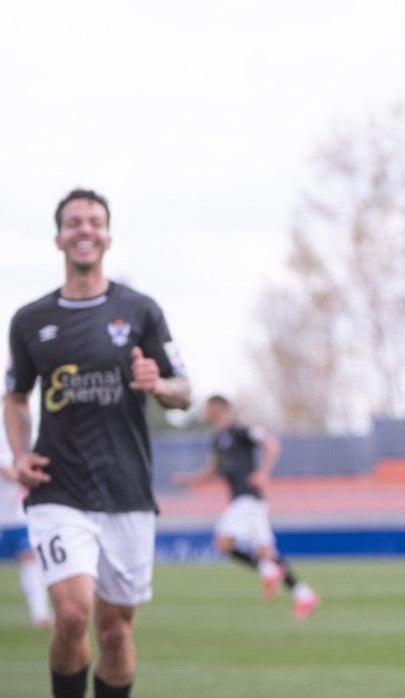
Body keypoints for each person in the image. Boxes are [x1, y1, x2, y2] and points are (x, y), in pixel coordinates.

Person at [4, 188, 191, 698]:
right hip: (57, 489)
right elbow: (15, 398)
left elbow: (184, 390)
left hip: (127, 492)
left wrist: (160, 384)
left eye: (94, 221)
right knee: (70, 614)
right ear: (59, 237)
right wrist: (19, 455)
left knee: (114, 631)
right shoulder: (28, 320)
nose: (84, 229)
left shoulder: (141, 311)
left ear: (106, 235)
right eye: (73, 222)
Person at [172, 395, 319, 619]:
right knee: (266, 553)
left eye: (207, 408)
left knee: (224, 542)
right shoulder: (217, 439)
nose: (204, 413)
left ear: (218, 409)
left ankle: (269, 571)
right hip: (247, 502)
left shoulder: (240, 431)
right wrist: (190, 480)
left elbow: (271, 444)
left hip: (247, 498)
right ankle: (304, 595)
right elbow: (212, 470)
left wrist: (264, 472)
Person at [0, 439, 53, 628]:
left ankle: (40, 614)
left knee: (29, 557)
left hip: (18, 514)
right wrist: (31, 477)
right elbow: (6, 469)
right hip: (5, 512)